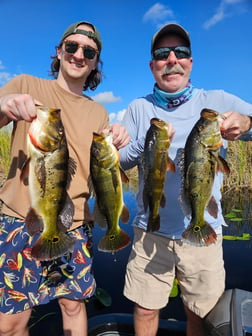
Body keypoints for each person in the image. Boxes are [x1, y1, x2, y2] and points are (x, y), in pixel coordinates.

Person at [119, 23, 252, 336]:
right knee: (145, 308)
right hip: (151, 230)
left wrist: (246, 122)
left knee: (200, 312)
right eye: (162, 54)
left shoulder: (217, 99)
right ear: (153, 65)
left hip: (204, 229)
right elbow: (123, 161)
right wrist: (150, 142)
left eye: (181, 52)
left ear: (191, 61)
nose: (172, 59)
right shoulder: (139, 108)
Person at [0, 21, 129, 336]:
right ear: (59, 52)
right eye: (71, 46)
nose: (79, 54)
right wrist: (3, 106)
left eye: (89, 51)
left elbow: (100, 168)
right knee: (10, 324)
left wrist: (117, 140)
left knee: (73, 306)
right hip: (20, 219)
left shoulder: (99, 112)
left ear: (95, 62)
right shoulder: (25, 83)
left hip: (75, 224)